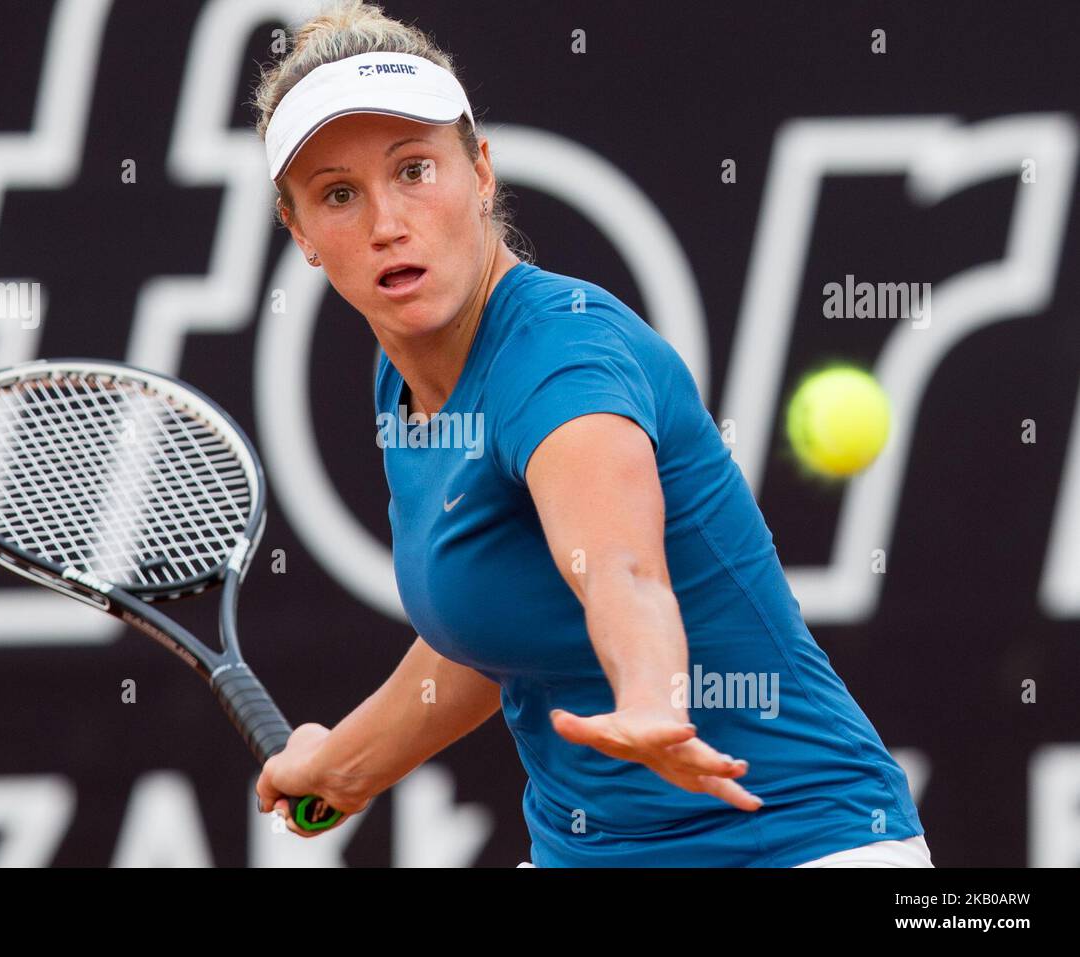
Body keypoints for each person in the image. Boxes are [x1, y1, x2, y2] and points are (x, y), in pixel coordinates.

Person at [250, 0, 931, 868]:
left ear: (482, 172)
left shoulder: (562, 357)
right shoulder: (407, 381)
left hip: (799, 842)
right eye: (338, 195)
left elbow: (619, 567)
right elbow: (488, 628)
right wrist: (344, 765)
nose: (386, 222)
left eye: (414, 169)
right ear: (301, 234)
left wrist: (649, 692)